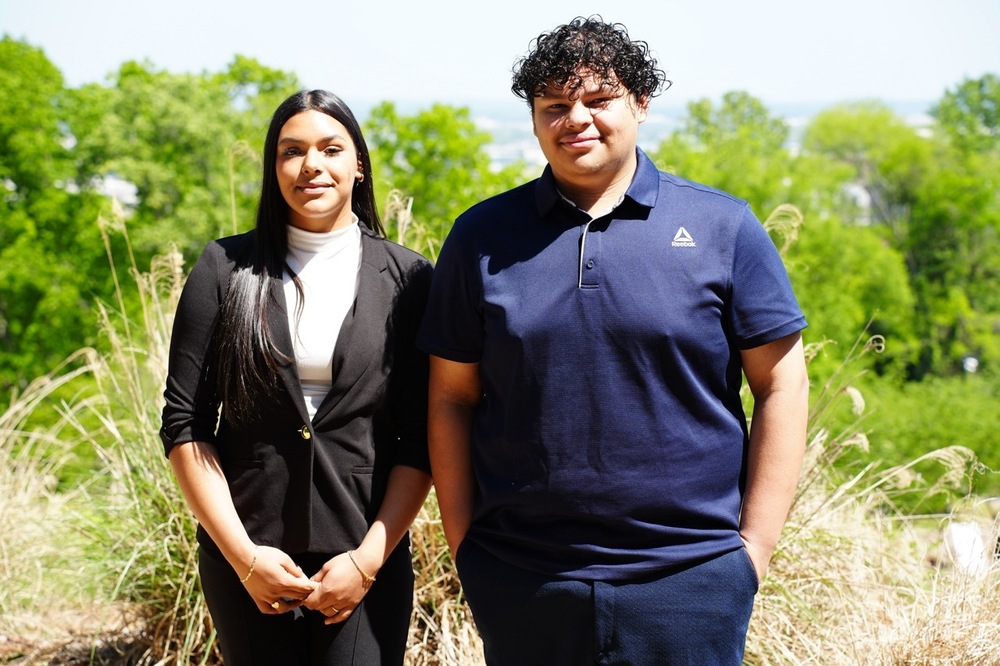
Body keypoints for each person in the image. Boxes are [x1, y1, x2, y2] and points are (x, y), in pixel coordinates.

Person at [417, 16, 809, 666]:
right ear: (536, 118)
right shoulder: (482, 237)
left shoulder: (722, 227)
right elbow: (450, 398)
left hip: (689, 579)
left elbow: (782, 383)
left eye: (598, 100)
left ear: (641, 103)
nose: (577, 119)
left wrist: (751, 553)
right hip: (523, 580)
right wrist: (470, 552)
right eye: (555, 106)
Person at [160, 89, 433, 665]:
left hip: (365, 557)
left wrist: (366, 562)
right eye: (292, 151)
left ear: (358, 165)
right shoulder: (224, 267)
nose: (312, 165)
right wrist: (243, 558)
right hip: (248, 558)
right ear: (273, 167)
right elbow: (185, 423)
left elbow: (420, 438)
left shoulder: (410, 279)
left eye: (331, 149)